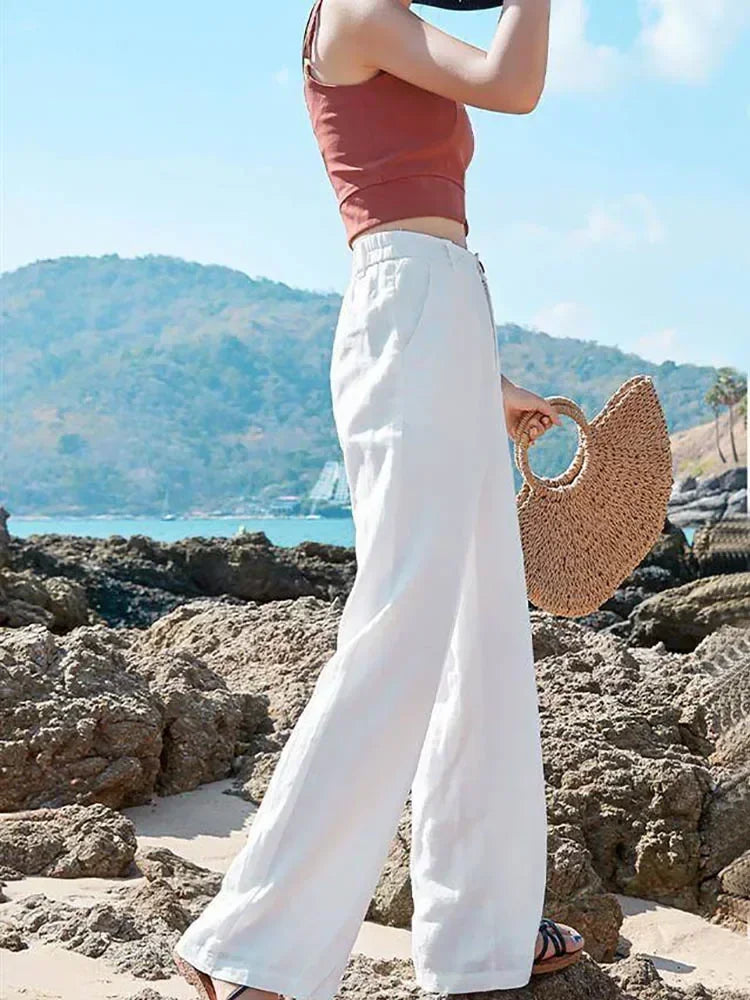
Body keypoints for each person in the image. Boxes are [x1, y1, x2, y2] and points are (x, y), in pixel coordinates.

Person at [174, 1, 586, 998]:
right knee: (401, 628)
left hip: (443, 307)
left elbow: (423, 237)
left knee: (478, 640)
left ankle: (482, 939)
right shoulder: (358, 9)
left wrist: (489, 383)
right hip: (410, 305)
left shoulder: (385, 17)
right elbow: (512, 85)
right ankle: (251, 946)